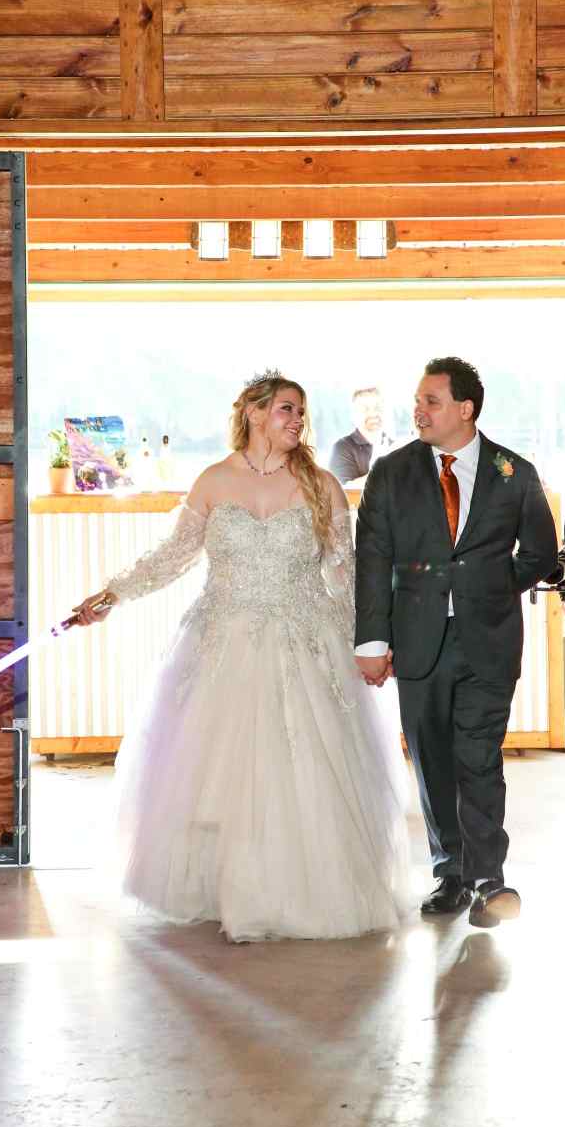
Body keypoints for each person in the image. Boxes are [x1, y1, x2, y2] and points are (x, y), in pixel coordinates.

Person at [73, 370, 413, 943]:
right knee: (217, 775)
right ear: (254, 413)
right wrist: (112, 594)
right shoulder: (212, 481)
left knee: (304, 769)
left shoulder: (322, 484)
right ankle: (220, 889)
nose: (297, 420)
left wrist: (371, 641)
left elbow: (345, 570)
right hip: (221, 640)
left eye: (301, 412)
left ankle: (302, 893)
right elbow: (172, 556)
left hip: (304, 639)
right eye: (286, 409)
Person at [354, 357, 558, 928]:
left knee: (479, 758)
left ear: (465, 409)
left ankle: (490, 880)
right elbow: (371, 559)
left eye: (432, 401)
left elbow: (540, 555)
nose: (418, 410)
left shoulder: (515, 472)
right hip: (416, 641)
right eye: (418, 401)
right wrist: (371, 639)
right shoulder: (390, 474)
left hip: (488, 642)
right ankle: (450, 872)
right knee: (431, 760)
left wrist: (489, 588)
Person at [329, 387, 393, 485]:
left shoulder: (396, 446)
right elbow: (344, 492)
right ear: (353, 416)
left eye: (378, 408)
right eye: (365, 409)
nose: (373, 413)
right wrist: (378, 469)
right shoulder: (342, 447)